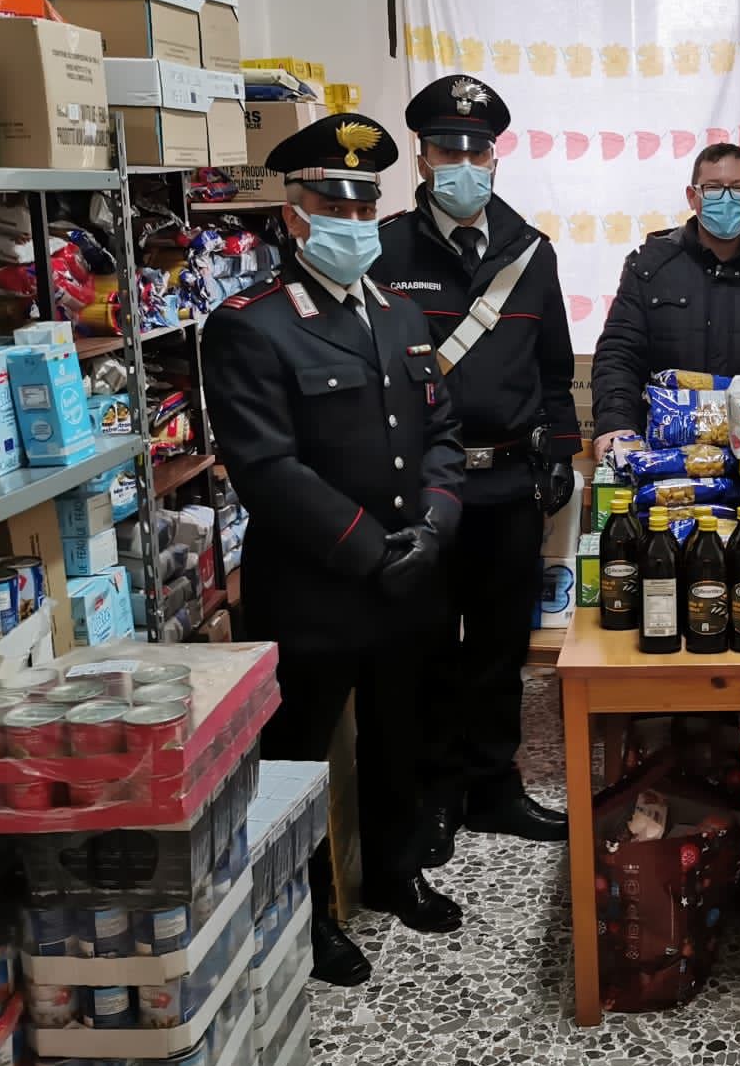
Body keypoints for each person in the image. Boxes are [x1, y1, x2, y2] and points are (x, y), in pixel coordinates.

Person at [202, 114, 469, 985]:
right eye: (333, 206)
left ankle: (394, 870)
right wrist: (368, 550)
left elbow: (441, 433)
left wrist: (434, 525)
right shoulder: (250, 325)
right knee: (298, 758)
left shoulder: (399, 314)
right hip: (316, 587)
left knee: (398, 736)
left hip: (408, 578)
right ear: (294, 214)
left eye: (364, 207)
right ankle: (307, 912)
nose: (354, 223)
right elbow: (266, 468)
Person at [372, 75, 575, 863]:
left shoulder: (530, 252)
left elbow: (554, 369)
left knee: (498, 648)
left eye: (477, 150)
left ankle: (494, 787)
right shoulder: (386, 250)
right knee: (425, 647)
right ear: (422, 156)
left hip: (507, 485)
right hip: (422, 490)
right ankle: (436, 794)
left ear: (495, 157)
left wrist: (559, 452)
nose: (463, 163)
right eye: (446, 148)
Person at [591, 142, 740, 455]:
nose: (727, 198)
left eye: (738, 188)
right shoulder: (651, 267)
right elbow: (619, 354)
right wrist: (616, 423)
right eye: (714, 188)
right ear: (692, 196)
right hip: (669, 449)